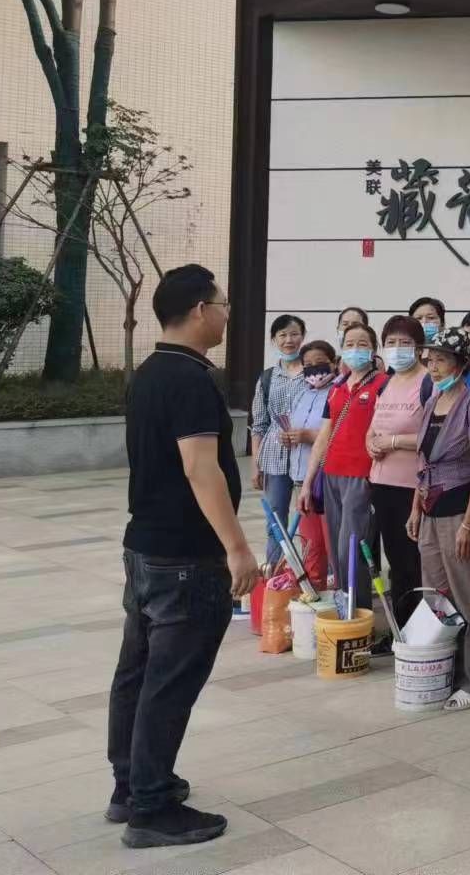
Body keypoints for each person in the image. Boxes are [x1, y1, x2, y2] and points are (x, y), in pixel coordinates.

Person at [109, 264, 253, 848]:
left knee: (138, 672)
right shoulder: (191, 379)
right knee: (168, 682)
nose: (226, 315)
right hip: (186, 558)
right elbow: (200, 468)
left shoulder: (149, 372)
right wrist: (237, 548)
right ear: (199, 310)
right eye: (223, 305)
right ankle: (152, 808)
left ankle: (130, 785)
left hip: (145, 547)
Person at [407, 327, 470, 709]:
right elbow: (423, 461)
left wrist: (469, 524)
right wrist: (416, 508)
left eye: (441, 359)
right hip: (431, 509)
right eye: (430, 359)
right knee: (437, 599)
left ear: (460, 365)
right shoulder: (432, 401)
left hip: (462, 510)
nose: (433, 366)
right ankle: (445, 673)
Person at [300, 319, 388, 615]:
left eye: (362, 344)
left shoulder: (383, 384)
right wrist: (308, 482)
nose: (355, 349)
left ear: (373, 350)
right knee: (336, 553)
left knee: (350, 549)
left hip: (362, 475)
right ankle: (344, 609)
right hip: (331, 475)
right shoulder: (337, 386)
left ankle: (357, 613)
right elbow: (324, 434)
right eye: (349, 344)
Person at [362, 315, 428, 629]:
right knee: (396, 562)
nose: (397, 348)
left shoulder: (428, 383)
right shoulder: (387, 383)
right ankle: (401, 631)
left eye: (405, 342)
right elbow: (373, 427)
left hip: (413, 487)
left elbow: (435, 436)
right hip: (382, 483)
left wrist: (393, 442)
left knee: (413, 562)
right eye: (391, 342)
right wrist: (371, 443)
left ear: (419, 347)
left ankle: (419, 632)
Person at [249, 314, 307, 565]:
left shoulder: (314, 372)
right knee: (275, 520)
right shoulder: (267, 377)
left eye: (294, 334)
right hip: (274, 456)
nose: (289, 340)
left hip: (307, 453)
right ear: (274, 340)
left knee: (311, 519)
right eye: (282, 335)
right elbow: (259, 425)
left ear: (303, 337)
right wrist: (256, 464)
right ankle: (275, 572)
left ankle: (314, 573)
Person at [287, 340, 336, 588]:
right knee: (310, 540)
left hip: (327, 477)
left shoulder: (338, 391)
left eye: (320, 363)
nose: (314, 369)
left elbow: (339, 433)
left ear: (333, 363)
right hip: (301, 474)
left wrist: (309, 436)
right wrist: (289, 437)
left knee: (331, 540)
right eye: (308, 364)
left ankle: (341, 591)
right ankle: (314, 588)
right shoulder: (302, 392)